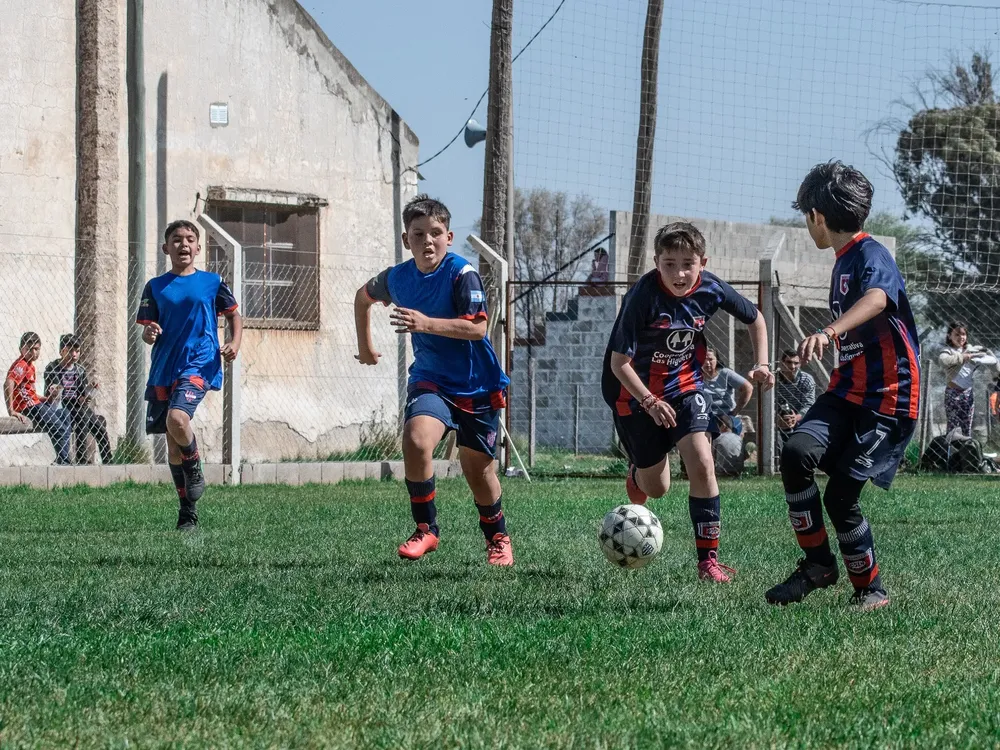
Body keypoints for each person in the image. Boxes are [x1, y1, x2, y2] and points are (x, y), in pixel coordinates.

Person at [766, 161, 920, 612]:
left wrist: (830, 332)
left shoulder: (872, 255)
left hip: (888, 401)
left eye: (804, 216)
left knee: (840, 496)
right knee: (795, 455)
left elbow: (876, 299)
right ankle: (817, 565)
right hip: (845, 393)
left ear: (816, 215)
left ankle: (870, 590)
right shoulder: (843, 261)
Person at [601, 221, 774, 583]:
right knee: (657, 488)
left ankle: (707, 562)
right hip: (633, 394)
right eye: (669, 264)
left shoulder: (711, 288)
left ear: (702, 262)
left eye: (687, 263)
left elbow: (756, 319)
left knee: (703, 462)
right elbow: (620, 364)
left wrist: (761, 364)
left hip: (685, 386)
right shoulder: (643, 296)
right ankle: (638, 472)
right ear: (656, 262)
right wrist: (648, 401)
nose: (679, 273)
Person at [355, 194, 513, 566]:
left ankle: (498, 538)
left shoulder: (462, 273)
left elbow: (477, 328)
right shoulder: (396, 278)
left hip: (477, 384)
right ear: (406, 239)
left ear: (450, 237)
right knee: (415, 438)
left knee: (479, 470)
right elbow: (361, 299)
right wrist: (365, 346)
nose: (428, 240)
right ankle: (426, 529)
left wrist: (425, 323)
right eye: (418, 233)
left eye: (436, 233)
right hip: (431, 380)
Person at [137, 220, 242, 530]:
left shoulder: (212, 281)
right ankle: (187, 514)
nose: (184, 244)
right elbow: (146, 331)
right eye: (177, 239)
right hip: (165, 366)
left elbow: (234, 313)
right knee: (171, 445)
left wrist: (234, 343)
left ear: (198, 247)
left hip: (200, 361)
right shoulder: (155, 286)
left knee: (178, 419)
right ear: (165, 248)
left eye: (190, 239)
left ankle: (194, 463)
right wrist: (150, 334)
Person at [43, 333, 114, 464]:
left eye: (77, 351)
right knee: (82, 416)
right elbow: (54, 393)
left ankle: (108, 461)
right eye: (70, 351)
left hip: (77, 405)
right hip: (61, 406)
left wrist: (88, 392)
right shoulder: (53, 368)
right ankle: (81, 459)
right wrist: (75, 399)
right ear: (62, 351)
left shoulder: (79, 370)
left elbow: (81, 393)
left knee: (99, 427)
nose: (74, 354)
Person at [4, 332, 72, 465]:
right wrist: (11, 410)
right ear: (21, 349)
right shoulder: (21, 364)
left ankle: (62, 460)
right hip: (28, 407)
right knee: (60, 427)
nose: (33, 352)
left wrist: (46, 399)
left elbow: (29, 393)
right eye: (29, 349)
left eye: (36, 349)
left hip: (35, 404)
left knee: (64, 414)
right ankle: (64, 462)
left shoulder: (31, 366)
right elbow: (8, 382)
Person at [938, 322, 998, 438]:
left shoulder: (972, 350)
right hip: (953, 393)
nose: (961, 337)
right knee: (953, 427)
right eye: (957, 334)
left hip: (968, 393)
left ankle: (966, 452)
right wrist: (964, 357)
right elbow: (943, 361)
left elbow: (992, 360)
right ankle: (950, 453)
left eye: (964, 334)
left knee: (966, 426)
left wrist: (986, 356)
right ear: (950, 336)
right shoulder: (948, 351)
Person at [702, 346, 752, 435]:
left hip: (725, 415)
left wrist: (735, 411)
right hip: (704, 415)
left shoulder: (725, 373)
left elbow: (748, 388)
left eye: (710, 359)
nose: (707, 363)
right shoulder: (695, 376)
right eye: (704, 359)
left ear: (717, 360)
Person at [775, 349, 816, 449]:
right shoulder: (774, 379)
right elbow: (768, 404)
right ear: (782, 363)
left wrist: (795, 418)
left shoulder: (806, 380)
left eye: (796, 363)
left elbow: (809, 405)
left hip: (801, 420)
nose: (792, 367)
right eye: (789, 362)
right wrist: (776, 418)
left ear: (800, 364)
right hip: (777, 420)